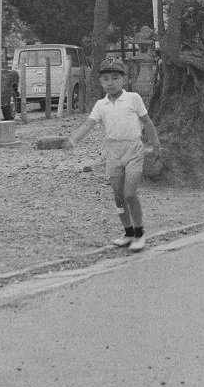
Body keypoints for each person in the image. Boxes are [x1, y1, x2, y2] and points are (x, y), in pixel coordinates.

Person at [63, 58, 162, 252]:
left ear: (123, 80)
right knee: (118, 196)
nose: (110, 83)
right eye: (106, 78)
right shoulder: (101, 105)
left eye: (115, 78)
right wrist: (73, 139)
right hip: (113, 152)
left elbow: (147, 123)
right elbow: (89, 124)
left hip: (133, 150)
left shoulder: (133, 98)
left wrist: (156, 145)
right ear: (100, 82)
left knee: (130, 194)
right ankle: (128, 232)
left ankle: (140, 234)